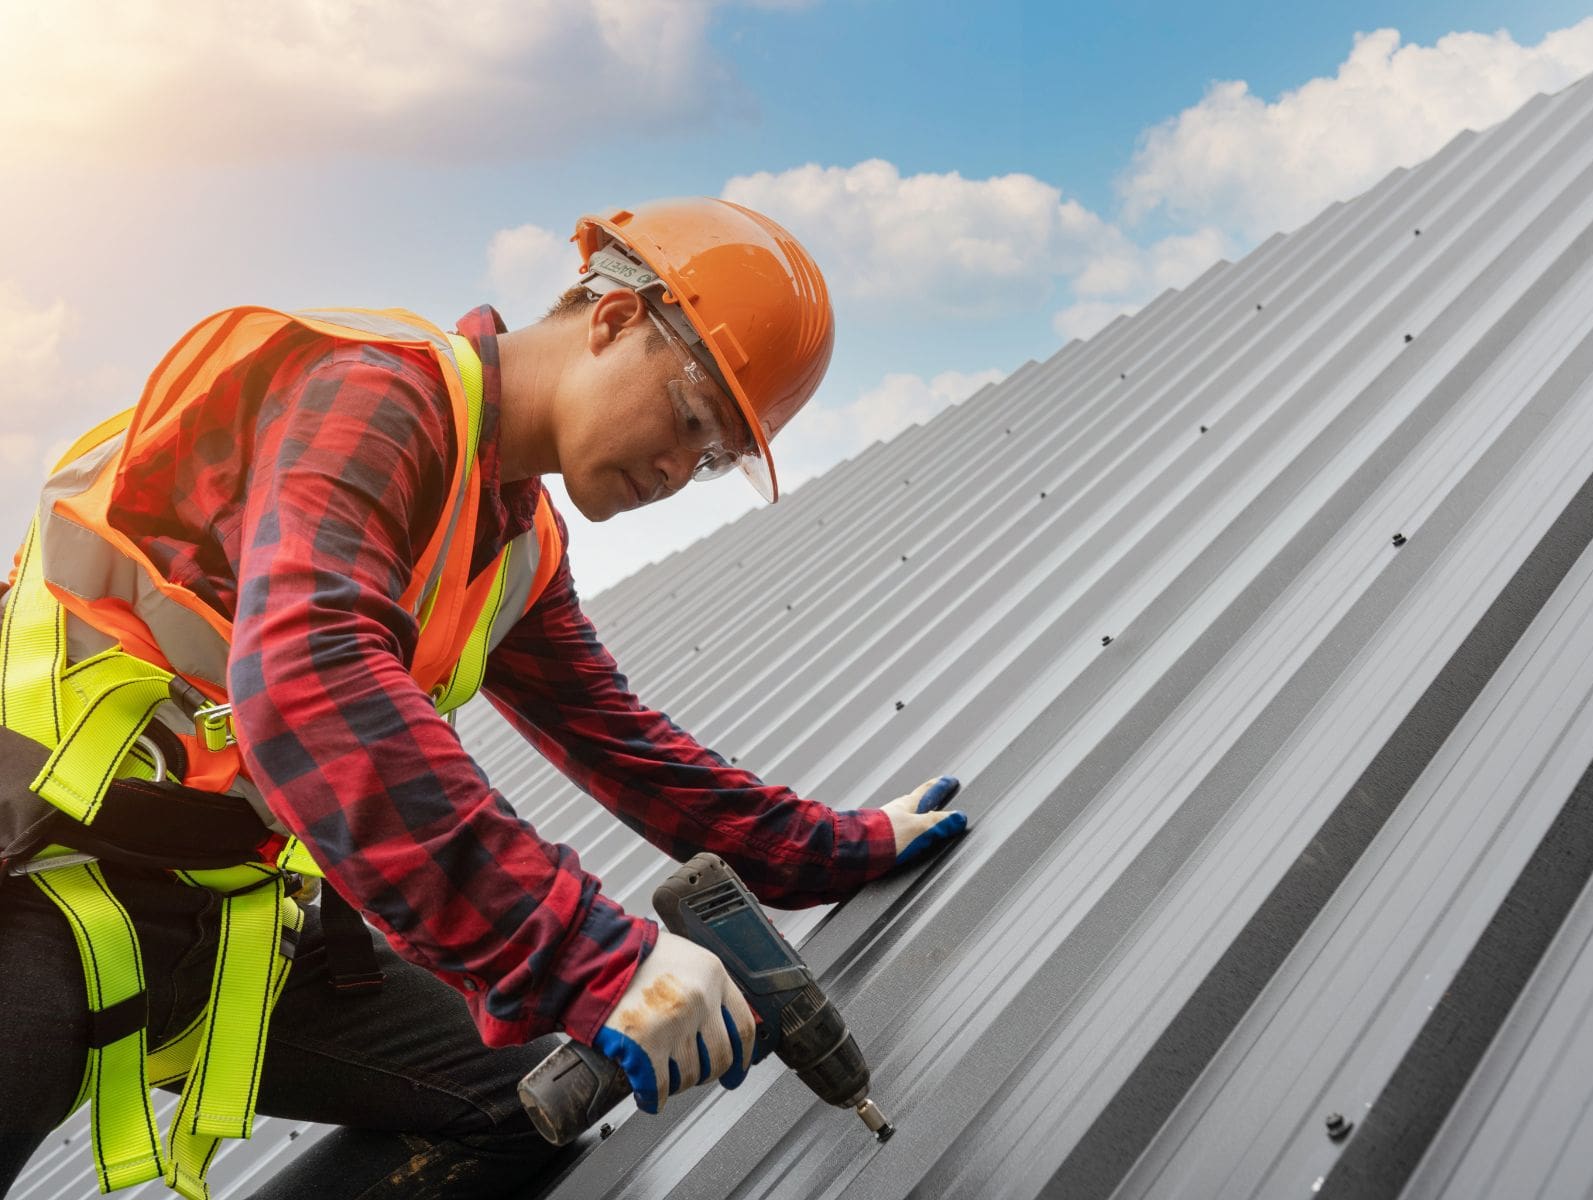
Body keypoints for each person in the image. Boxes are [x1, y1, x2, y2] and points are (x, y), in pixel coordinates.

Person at [0, 198, 969, 1199]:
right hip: (32, 874)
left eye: (714, 456)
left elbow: (622, 742)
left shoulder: (513, 544)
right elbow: (303, 673)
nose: (681, 468)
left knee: (525, 1104)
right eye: (688, 417)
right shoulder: (372, 395)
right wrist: (594, 959)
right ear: (614, 320)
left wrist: (834, 846)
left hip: (211, 919)